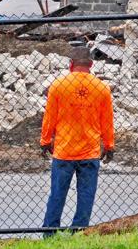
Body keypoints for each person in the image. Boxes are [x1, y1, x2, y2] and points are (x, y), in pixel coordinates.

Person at [40, 46, 114, 233]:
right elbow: (107, 121)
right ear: (91, 64)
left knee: (57, 194)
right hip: (89, 152)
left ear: (71, 64)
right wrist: (109, 145)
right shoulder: (102, 88)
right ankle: (78, 230)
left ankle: (50, 231)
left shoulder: (58, 86)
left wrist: (45, 141)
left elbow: (50, 118)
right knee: (86, 196)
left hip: (64, 151)